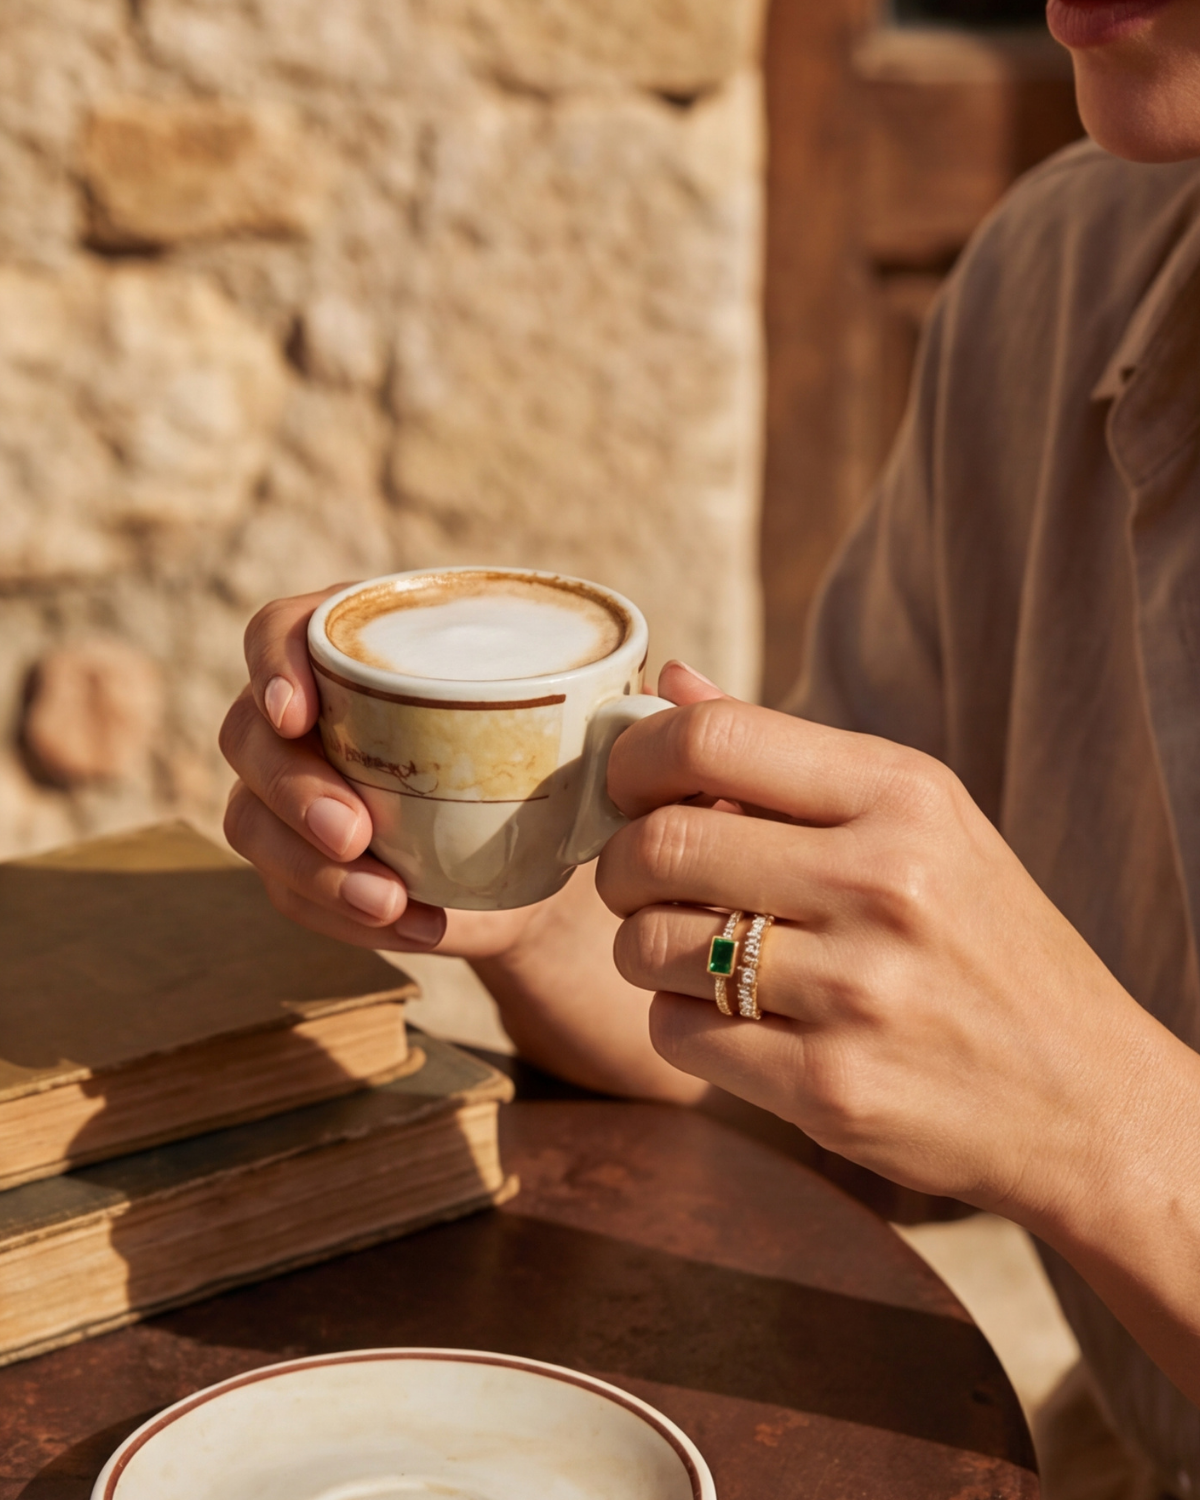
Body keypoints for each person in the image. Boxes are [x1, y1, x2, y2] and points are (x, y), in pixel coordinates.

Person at [219, 2, 1200, 1493]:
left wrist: (1106, 1125)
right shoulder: (1058, 282)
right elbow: (856, 1080)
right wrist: (527, 879)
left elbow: (1036, 1093)